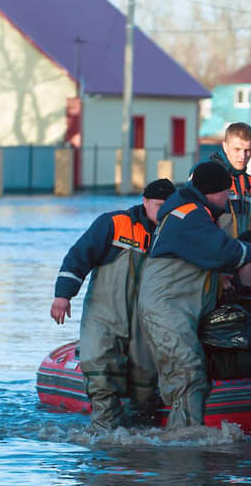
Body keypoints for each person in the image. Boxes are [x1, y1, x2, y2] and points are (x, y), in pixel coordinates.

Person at [136, 162, 251, 429]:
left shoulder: (193, 213)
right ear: (210, 192)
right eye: (224, 192)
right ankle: (185, 445)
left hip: (177, 309)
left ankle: (185, 434)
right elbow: (219, 250)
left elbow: (207, 256)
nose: (228, 198)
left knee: (192, 371)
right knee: (187, 370)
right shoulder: (190, 215)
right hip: (167, 309)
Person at [50, 178, 176, 431]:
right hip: (104, 316)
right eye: (157, 205)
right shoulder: (115, 224)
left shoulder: (175, 234)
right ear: (144, 202)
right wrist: (63, 295)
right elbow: (78, 257)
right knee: (101, 374)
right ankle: (103, 439)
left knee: (145, 389)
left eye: (167, 206)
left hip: (147, 324)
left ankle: (138, 445)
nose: (162, 212)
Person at [209, 122, 251, 238]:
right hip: (216, 251)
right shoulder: (206, 173)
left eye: (247, 150)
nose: (243, 156)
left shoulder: (245, 180)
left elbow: (247, 223)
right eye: (237, 149)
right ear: (225, 146)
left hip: (239, 251)